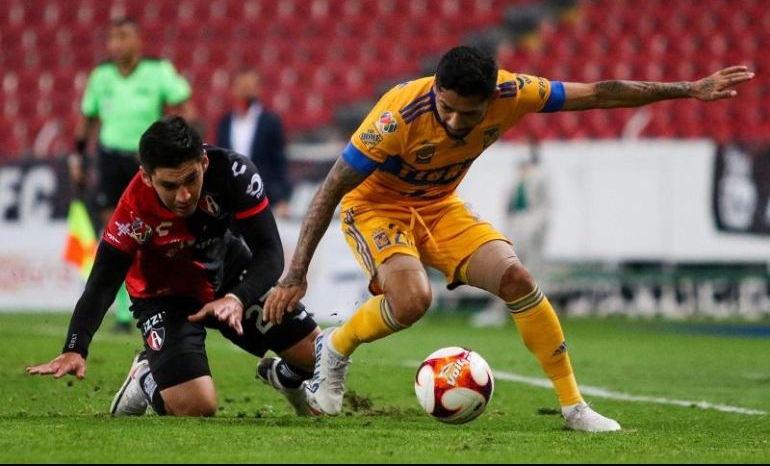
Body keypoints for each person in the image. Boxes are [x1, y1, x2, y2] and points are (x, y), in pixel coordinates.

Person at [264, 46, 754, 431]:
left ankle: (574, 407)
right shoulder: (397, 116)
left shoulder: (516, 92)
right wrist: (296, 273)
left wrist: (689, 88)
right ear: (435, 88)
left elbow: (602, 92)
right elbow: (331, 188)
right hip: (375, 207)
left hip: (439, 207)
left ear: (491, 98)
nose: (457, 123)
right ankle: (335, 348)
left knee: (517, 278)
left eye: (469, 115)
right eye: (448, 109)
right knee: (412, 300)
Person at [28, 116, 320, 417]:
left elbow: (270, 251)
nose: (184, 196)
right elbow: (102, 282)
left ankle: (284, 377)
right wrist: (76, 346)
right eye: (169, 185)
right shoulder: (133, 210)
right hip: (163, 296)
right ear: (146, 176)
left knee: (317, 356)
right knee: (197, 407)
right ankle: (145, 377)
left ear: (203, 162)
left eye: (191, 179)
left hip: (227, 273)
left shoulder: (234, 173)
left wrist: (237, 297)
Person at [70, 17, 198, 332]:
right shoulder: (100, 77)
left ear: (139, 41)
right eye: (112, 37)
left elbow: (185, 107)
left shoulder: (158, 71)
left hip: (149, 164)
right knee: (114, 232)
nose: (116, 44)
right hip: (110, 158)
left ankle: (163, 295)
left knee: (150, 232)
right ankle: (125, 313)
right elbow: (87, 119)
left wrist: (188, 145)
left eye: (124, 36)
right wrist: (78, 157)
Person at [471, 141, 550, 327]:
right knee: (507, 268)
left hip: (532, 224)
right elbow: (509, 203)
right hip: (515, 225)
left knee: (533, 272)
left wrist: (538, 227)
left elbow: (545, 205)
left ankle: (538, 317)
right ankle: (498, 311)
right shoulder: (515, 177)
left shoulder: (541, 175)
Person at [216, 68, 292, 219]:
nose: (246, 91)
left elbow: (279, 162)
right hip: (232, 199)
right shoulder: (225, 123)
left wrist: (283, 198)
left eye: (250, 86)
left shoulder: (270, 122)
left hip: (264, 196)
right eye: (242, 86)